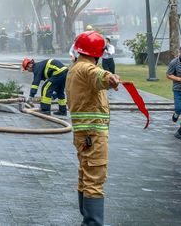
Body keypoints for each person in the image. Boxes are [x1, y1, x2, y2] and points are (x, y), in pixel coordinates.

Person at [66, 30, 121, 226]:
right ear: (97, 53)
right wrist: (110, 78)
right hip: (93, 133)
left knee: (85, 174)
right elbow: (99, 75)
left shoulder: (74, 68)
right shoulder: (86, 69)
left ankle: (87, 220)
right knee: (95, 179)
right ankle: (92, 223)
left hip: (84, 134)